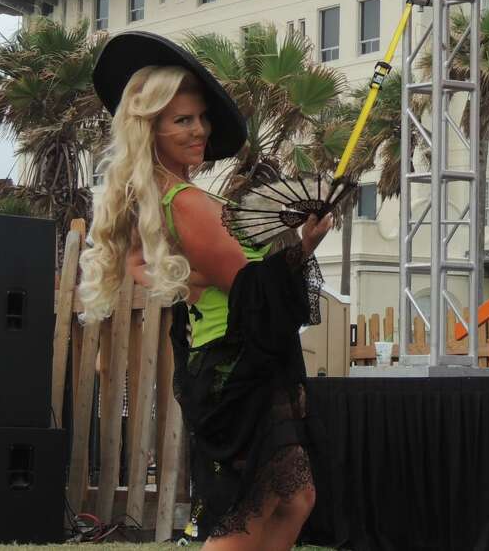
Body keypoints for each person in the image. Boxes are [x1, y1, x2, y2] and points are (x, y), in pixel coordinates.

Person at [79, 31, 331, 551]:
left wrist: (186, 281)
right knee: (248, 508)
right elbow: (252, 291)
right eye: (182, 121)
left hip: (224, 362)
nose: (199, 131)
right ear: (151, 129)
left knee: (292, 498)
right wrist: (302, 245)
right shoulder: (187, 202)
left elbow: (143, 266)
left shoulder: (156, 198)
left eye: (201, 118)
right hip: (238, 366)